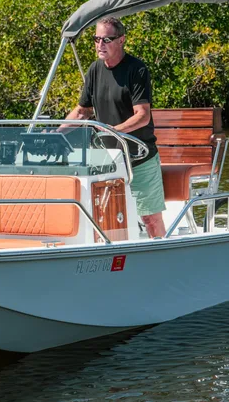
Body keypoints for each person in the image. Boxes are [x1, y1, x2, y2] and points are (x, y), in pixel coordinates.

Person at [64, 17, 167, 238]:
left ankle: (161, 259)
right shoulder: (94, 70)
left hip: (139, 157)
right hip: (107, 159)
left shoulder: (136, 69)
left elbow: (142, 115)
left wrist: (114, 130)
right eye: (96, 39)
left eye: (106, 39)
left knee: (150, 217)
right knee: (105, 217)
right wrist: (53, 133)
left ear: (121, 40)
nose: (100, 44)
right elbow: (82, 111)